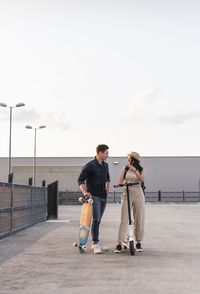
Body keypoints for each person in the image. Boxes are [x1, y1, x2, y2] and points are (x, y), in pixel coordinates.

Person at [78, 144, 110, 254]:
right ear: (100, 153)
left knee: (99, 220)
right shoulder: (90, 165)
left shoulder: (106, 166)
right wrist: (85, 192)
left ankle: (97, 241)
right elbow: (80, 180)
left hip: (103, 197)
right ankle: (95, 243)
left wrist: (107, 187)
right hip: (94, 196)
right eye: (106, 153)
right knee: (96, 219)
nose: (108, 155)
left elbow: (107, 178)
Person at [114, 151, 146, 253]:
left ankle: (138, 242)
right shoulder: (125, 168)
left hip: (138, 193)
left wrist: (135, 170)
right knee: (124, 218)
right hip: (127, 192)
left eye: (129, 158)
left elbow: (141, 179)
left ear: (134, 160)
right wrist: (117, 184)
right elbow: (120, 180)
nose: (128, 160)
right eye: (128, 158)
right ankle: (119, 243)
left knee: (139, 218)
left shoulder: (141, 169)